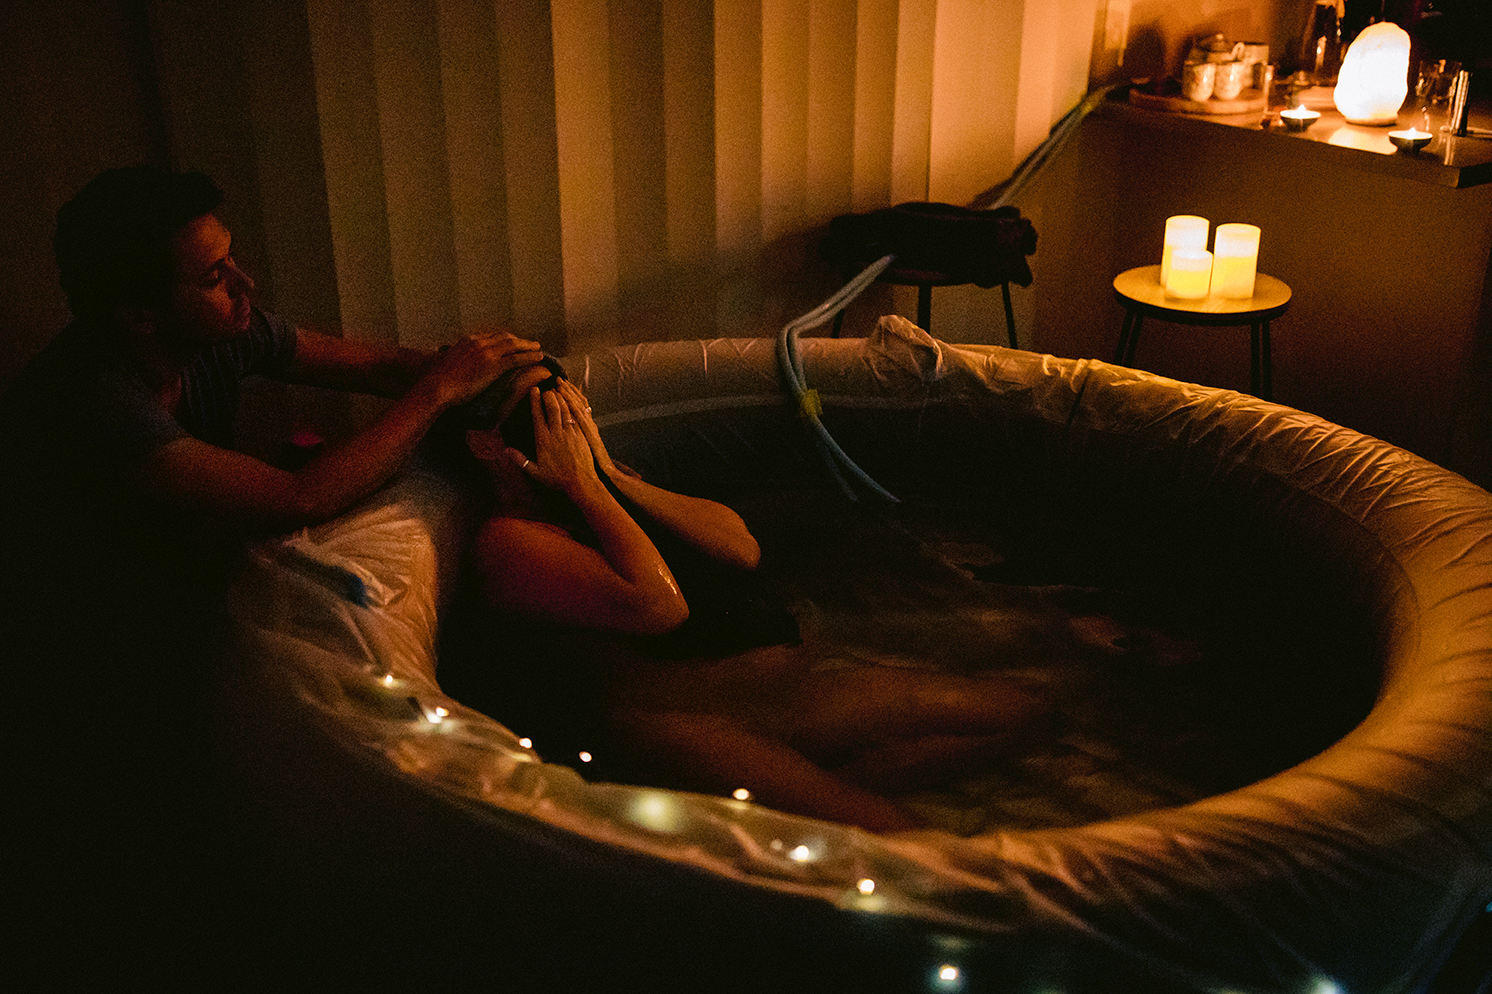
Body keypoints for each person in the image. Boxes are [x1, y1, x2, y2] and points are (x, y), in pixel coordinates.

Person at [0, 165, 542, 984]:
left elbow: (373, 367)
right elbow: (295, 497)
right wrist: (437, 392)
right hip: (76, 652)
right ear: (137, 312)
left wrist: (501, 375)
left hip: (169, 596)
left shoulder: (219, 332)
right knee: (168, 873)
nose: (245, 283)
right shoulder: (92, 400)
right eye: (216, 274)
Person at [448, 362, 1053, 834]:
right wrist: (587, 490)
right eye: (540, 411)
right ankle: (815, 798)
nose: (561, 422)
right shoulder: (511, 541)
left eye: (568, 406)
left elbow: (740, 547)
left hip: (782, 696)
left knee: (1023, 712)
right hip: (685, 727)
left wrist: (606, 473)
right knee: (903, 842)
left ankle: (810, 788)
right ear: (485, 443)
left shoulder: (598, 490)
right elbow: (659, 606)